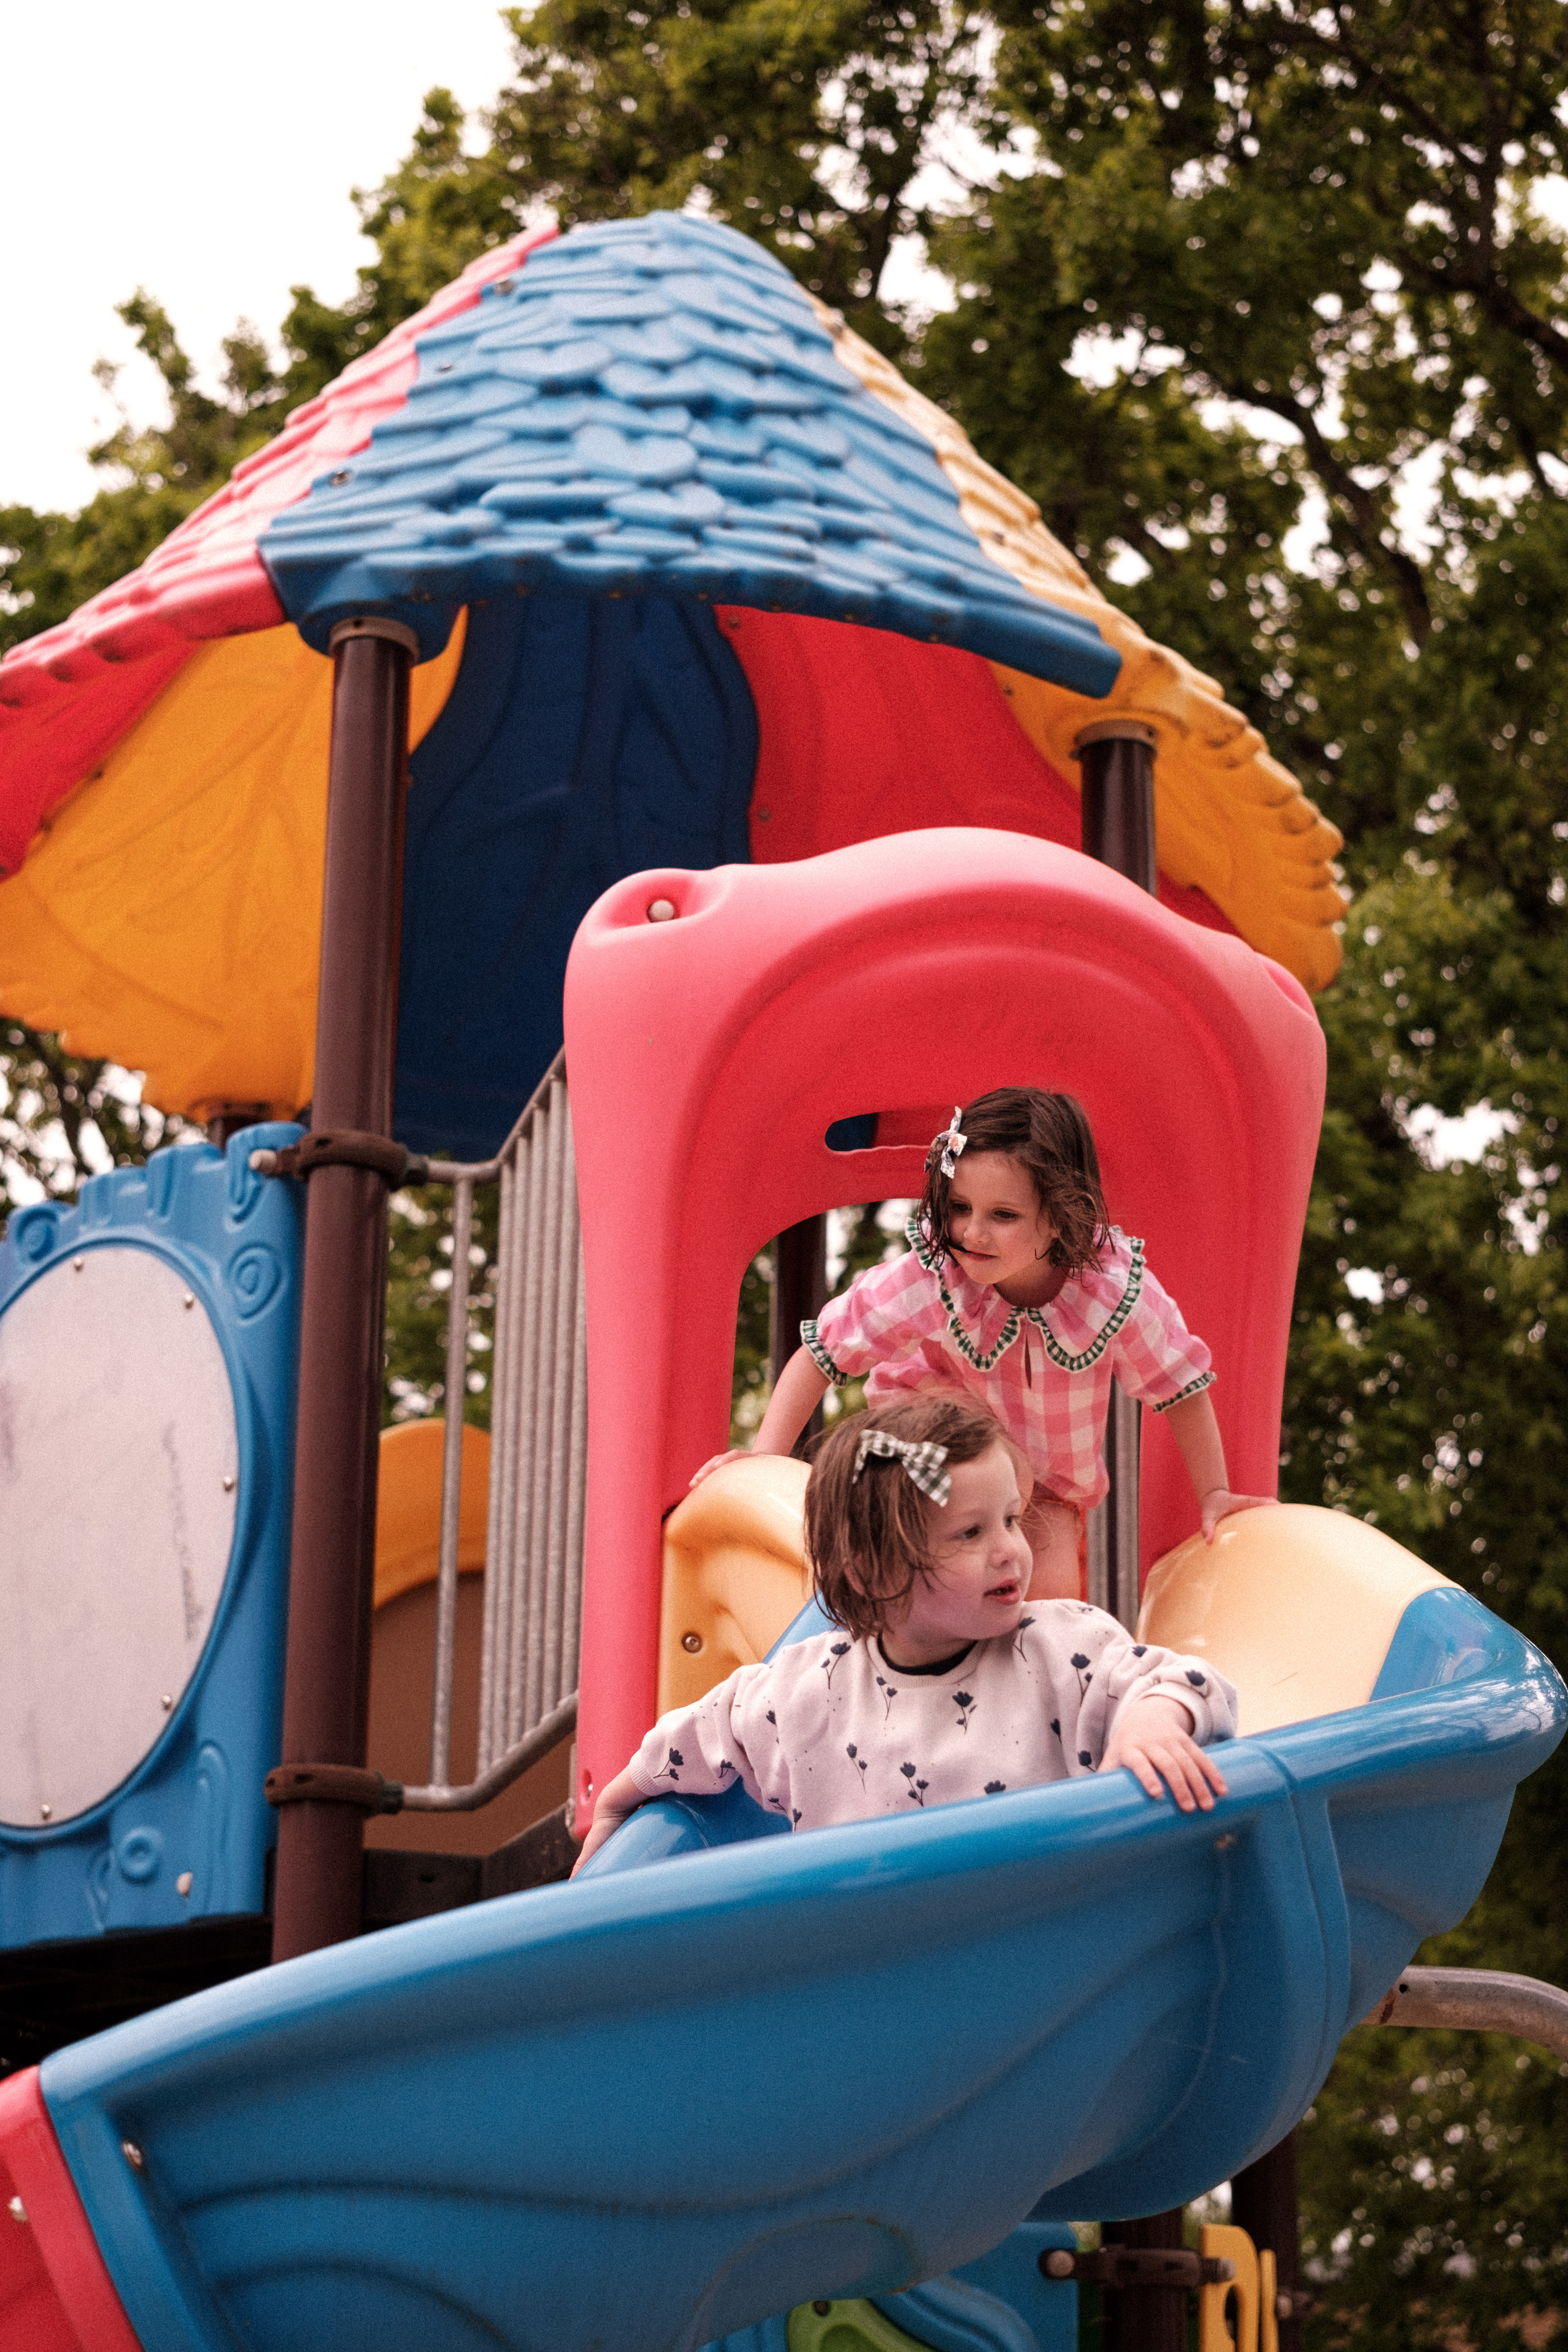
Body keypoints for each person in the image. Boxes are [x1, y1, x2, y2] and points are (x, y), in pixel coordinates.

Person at [574, 1396, 1235, 1871]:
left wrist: (1151, 1722)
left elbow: (1181, 1679)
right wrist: (614, 1805)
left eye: (1011, 1519)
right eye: (971, 1534)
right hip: (880, 1968)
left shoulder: (1059, 1646)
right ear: (869, 1573)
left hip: (1037, 1941)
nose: (1010, 1551)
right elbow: (697, 1736)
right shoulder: (804, 1689)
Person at [692, 1085, 1274, 1600]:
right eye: (961, 1207)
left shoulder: (1111, 1294)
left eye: (1003, 1215)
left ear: (1060, 1219)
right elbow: (823, 1352)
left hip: (1047, 1489)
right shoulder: (934, 1277)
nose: (971, 1232)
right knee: (977, 1522)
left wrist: (1216, 1493)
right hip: (937, 1444)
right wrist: (765, 1455)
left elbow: (1181, 1386)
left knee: (1050, 1598)